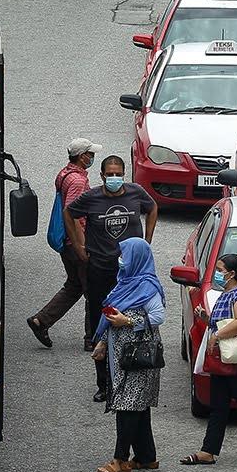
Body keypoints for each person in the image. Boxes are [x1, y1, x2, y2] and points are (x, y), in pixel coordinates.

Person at [68, 155, 158, 403]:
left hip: (130, 272)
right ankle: (104, 383)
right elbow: (70, 213)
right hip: (100, 267)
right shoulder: (91, 197)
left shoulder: (135, 193)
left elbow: (152, 208)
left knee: (133, 319)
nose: (115, 178)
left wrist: (146, 241)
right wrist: (78, 245)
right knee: (102, 321)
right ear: (102, 176)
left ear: (124, 174)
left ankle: (131, 376)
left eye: (119, 174)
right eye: (110, 174)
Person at [180, 254, 237, 466]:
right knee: (219, 405)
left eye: (220, 270)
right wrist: (206, 319)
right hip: (223, 359)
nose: (217, 274)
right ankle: (208, 451)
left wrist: (217, 335)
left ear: (232, 274)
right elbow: (224, 322)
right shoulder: (226, 293)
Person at [91, 238, 166, 472]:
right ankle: (146, 457)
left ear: (137, 258)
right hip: (121, 354)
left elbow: (158, 316)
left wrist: (129, 321)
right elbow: (111, 316)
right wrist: (102, 341)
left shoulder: (147, 286)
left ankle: (119, 460)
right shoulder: (124, 283)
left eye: (125, 255)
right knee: (137, 405)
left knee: (128, 405)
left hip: (138, 357)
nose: (120, 259)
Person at [27, 138, 102, 350]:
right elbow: (74, 215)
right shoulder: (77, 181)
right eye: (90, 154)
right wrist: (82, 246)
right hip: (77, 243)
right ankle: (92, 339)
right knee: (93, 291)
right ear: (82, 156)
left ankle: (41, 321)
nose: (92, 157)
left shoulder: (64, 174)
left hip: (67, 242)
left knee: (74, 285)